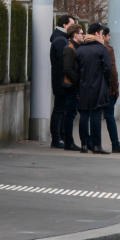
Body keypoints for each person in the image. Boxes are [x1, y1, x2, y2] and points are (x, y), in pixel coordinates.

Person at [74, 22, 113, 153]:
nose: (102, 36)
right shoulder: (102, 49)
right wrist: (106, 84)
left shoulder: (80, 50)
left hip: (83, 87)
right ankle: (96, 145)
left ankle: (84, 144)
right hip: (99, 86)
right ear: (97, 33)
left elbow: (76, 71)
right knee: (96, 116)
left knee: (84, 115)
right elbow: (108, 70)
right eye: (102, 34)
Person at [98, 26, 120, 153]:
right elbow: (113, 72)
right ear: (102, 35)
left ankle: (91, 143)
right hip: (108, 89)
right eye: (108, 35)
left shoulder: (86, 46)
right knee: (110, 117)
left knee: (93, 116)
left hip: (93, 88)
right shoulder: (108, 50)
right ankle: (115, 144)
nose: (110, 38)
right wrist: (115, 90)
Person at [49, 14, 76, 148]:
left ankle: (60, 138)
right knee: (59, 110)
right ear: (64, 25)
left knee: (61, 110)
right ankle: (56, 139)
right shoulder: (60, 40)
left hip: (61, 80)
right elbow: (63, 62)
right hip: (61, 81)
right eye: (71, 24)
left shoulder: (61, 39)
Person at [57, 23, 85, 151]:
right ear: (75, 35)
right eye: (81, 33)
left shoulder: (75, 46)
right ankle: (69, 141)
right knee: (70, 114)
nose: (83, 35)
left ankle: (70, 141)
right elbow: (68, 68)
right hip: (71, 86)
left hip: (73, 85)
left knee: (72, 113)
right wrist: (77, 81)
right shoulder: (70, 48)